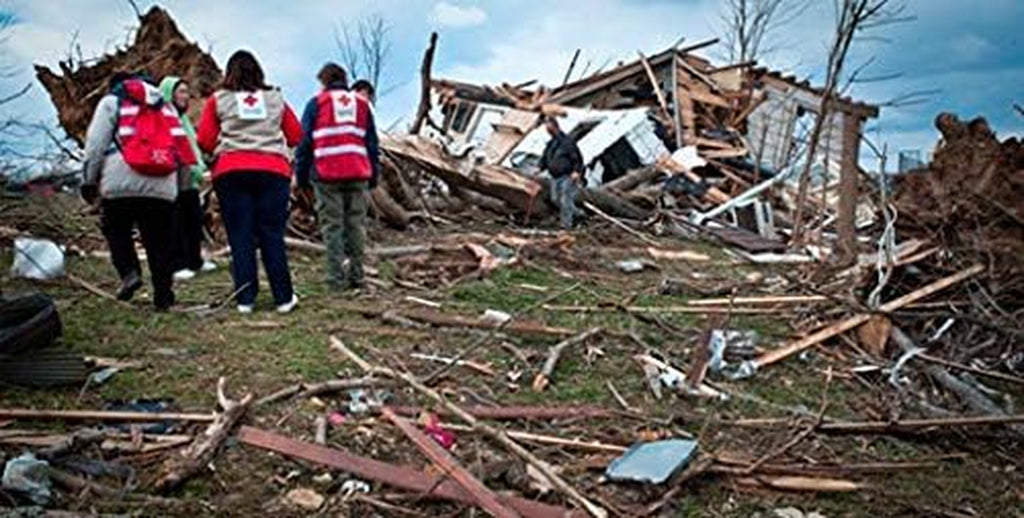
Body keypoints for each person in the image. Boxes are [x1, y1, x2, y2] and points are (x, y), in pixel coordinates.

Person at [196, 50, 303, 314]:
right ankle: (283, 298)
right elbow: (295, 135)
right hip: (273, 171)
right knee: (271, 234)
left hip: (231, 171)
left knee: (240, 235)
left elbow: (204, 140)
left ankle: (245, 299)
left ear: (229, 73)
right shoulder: (275, 98)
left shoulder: (218, 99)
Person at [81, 72, 198, 310]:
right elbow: (181, 147)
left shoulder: (111, 103)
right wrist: (181, 188)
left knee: (117, 230)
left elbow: (95, 145)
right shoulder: (166, 107)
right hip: (161, 184)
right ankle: (163, 296)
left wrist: (89, 181)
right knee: (159, 243)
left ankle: (129, 272)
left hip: (119, 182)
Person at [294, 64, 379, 291]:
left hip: (326, 172)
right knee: (356, 225)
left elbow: (304, 143)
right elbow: (372, 144)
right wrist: (373, 175)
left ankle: (336, 279)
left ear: (324, 81)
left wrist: (301, 176)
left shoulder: (316, 103)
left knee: (333, 226)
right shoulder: (362, 104)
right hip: (358, 171)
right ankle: (357, 277)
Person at [159, 76, 216, 281]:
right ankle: (177, 263)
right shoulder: (165, 116)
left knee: (193, 218)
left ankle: (194, 260)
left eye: (186, 91)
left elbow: (192, 147)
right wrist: (198, 172)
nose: (186, 96)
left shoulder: (183, 118)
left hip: (189, 177)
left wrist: (200, 168)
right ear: (169, 94)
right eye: (181, 91)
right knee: (177, 221)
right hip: (174, 176)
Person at [538, 117, 583, 230]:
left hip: (567, 175)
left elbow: (577, 158)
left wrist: (576, 171)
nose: (547, 130)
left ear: (555, 126)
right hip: (555, 176)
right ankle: (578, 214)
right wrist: (540, 167)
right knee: (555, 199)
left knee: (565, 200)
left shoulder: (567, 142)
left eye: (549, 127)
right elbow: (545, 157)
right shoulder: (551, 144)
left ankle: (566, 225)